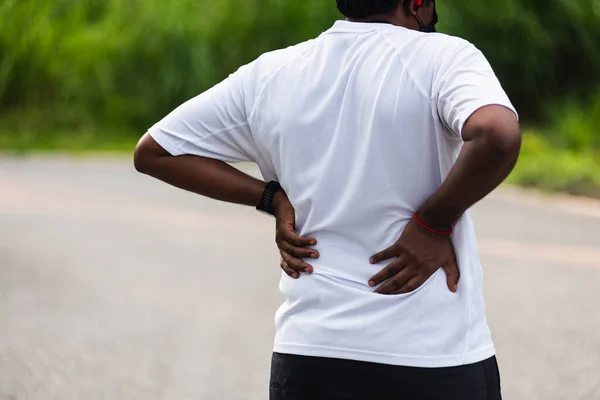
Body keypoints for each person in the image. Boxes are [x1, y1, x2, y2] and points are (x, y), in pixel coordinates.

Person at [134, 0, 521, 398]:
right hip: (431, 355)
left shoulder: (272, 73)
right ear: (417, 2)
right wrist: (432, 223)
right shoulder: (443, 57)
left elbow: (157, 151)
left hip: (309, 357)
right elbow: (497, 133)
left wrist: (271, 197)